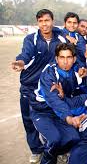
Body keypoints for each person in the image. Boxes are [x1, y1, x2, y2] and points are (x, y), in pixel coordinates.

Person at [11, 9, 67, 163]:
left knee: (55, 120)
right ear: (37, 23)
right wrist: (20, 62)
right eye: (41, 21)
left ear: (52, 21)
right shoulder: (31, 39)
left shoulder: (61, 38)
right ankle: (36, 150)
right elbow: (25, 54)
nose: (44, 24)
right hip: (29, 87)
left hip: (50, 88)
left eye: (47, 20)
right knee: (29, 121)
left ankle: (59, 149)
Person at [29, 43, 87, 164]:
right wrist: (69, 119)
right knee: (55, 139)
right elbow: (54, 100)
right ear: (56, 59)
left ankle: (60, 153)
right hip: (42, 112)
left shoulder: (75, 72)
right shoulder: (49, 73)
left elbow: (85, 90)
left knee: (74, 138)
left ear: (74, 59)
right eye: (62, 57)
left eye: (69, 57)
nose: (65, 61)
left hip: (59, 111)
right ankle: (47, 159)